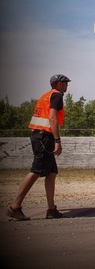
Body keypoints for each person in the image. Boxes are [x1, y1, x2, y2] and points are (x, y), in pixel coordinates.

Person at [6, 74, 70, 221]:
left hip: (39, 135)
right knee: (36, 170)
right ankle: (14, 207)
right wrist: (57, 141)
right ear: (59, 84)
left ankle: (51, 209)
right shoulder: (56, 96)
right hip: (45, 137)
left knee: (51, 173)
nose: (67, 85)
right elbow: (52, 118)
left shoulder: (45, 95)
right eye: (66, 83)